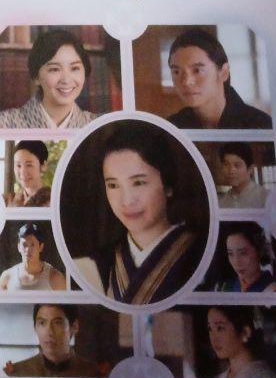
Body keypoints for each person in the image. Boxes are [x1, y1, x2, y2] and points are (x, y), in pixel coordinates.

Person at [73, 122, 205, 305]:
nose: (127, 201)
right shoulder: (95, 265)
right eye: (113, 185)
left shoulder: (202, 252)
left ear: (167, 185)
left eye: (138, 183)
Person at [167, 27, 272, 130]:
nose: (186, 81)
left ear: (223, 72)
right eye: (176, 72)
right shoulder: (170, 129)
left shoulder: (261, 126)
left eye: (197, 70)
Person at [0, 29, 98, 130]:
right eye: (54, 69)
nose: (66, 80)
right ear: (36, 77)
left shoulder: (97, 125)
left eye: (74, 68)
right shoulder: (0, 124)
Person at [4, 304, 106, 378]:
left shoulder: (93, 374)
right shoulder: (17, 374)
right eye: (42, 323)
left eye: (58, 323)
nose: (49, 332)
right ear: (35, 327)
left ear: (74, 326)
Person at [206, 306, 276, 378]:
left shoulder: (261, 377)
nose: (213, 338)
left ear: (245, 332)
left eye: (220, 328)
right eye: (210, 328)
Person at [215, 223, 276, 293]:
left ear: (259, 251)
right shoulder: (224, 288)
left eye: (243, 253)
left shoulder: (275, 292)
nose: (236, 262)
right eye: (230, 253)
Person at [0, 223, 67, 292]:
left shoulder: (55, 278)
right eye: (24, 245)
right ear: (19, 247)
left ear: (41, 247)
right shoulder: (7, 278)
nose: (28, 250)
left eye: (32, 245)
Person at [217, 142, 269, 208]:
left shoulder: (266, 198)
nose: (231, 171)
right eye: (226, 165)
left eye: (237, 165)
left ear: (250, 169)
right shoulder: (221, 201)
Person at [5, 141, 53, 207]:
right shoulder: (6, 202)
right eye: (18, 165)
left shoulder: (54, 200)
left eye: (29, 165)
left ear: (43, 166)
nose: (23, 172)